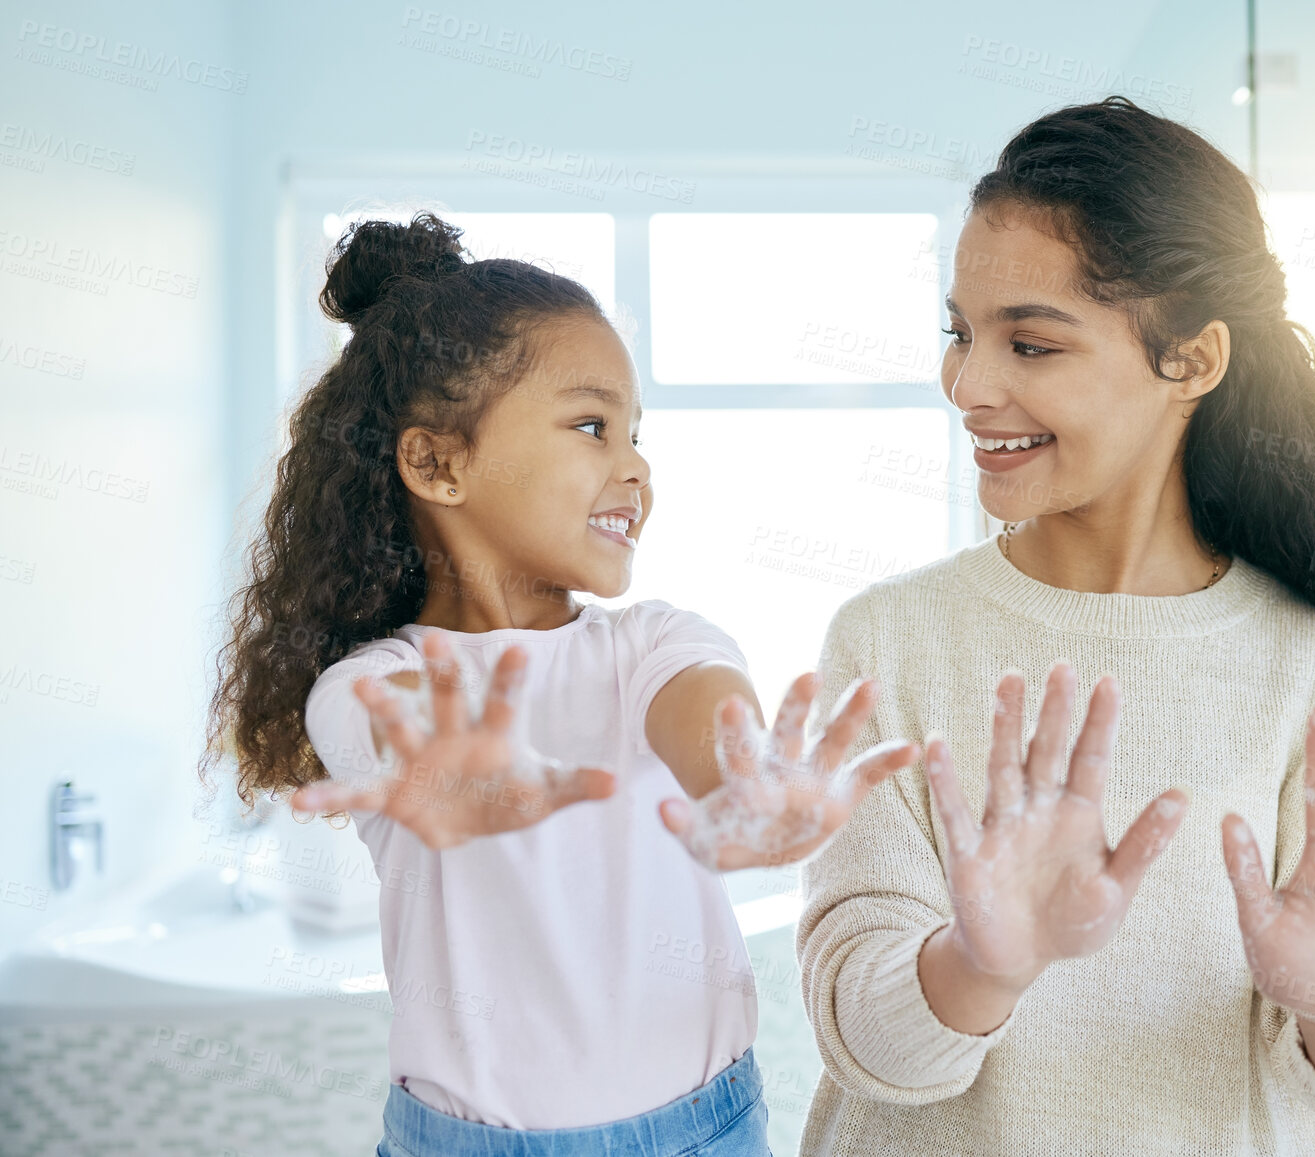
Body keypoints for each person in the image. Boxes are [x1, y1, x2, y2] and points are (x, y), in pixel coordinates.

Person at [795, 98, 1315, 1156]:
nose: (968, 385)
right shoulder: (889, 640)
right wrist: (982, 962)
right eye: (960, 332)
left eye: (1029, 342)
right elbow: (864, 1046)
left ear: (1194, 361)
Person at [203, 212, 919, 1156]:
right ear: (438, 462)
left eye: (634, 433)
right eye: (592, 425)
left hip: (704, 1130)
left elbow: (708, 723)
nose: (637, 466)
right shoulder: (372, 681)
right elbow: (405, 743)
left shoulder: (656, 644)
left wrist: (751, 786)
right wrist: (463, 774)